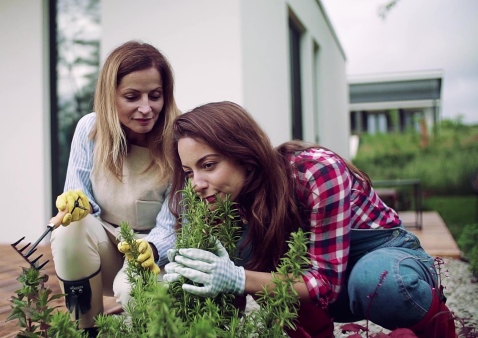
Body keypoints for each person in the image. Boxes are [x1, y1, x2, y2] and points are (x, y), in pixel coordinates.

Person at [163, 101, 456, 338]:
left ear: (245, 155)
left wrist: (237, 278)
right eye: (189, 172)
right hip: (317, 281)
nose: (196, 184)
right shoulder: (220, 201)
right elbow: (229, 296)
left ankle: (440, 330)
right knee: (252, 250)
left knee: (375, 280)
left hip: (374, 255)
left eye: (209, 165)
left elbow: (325, 283)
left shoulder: (314, 170)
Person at [49, 40, 180, 336]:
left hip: (154, 253)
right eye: (132, 97)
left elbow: (174, 221)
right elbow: (81, 202)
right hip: (106, 247)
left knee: (129, 289)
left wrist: (153, 247)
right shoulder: (89, 130)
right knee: (69, 229)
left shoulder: (179, 138)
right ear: (111, 96)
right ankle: (87, 328)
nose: (146, 109)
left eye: (155, 96)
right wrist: (76, 206)